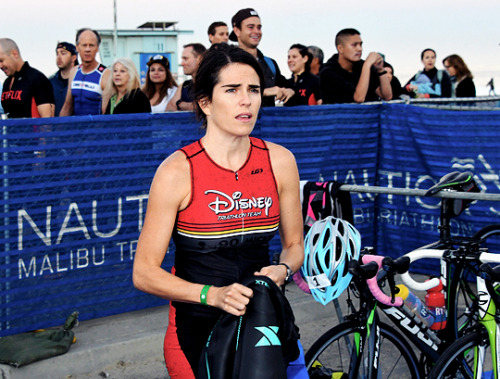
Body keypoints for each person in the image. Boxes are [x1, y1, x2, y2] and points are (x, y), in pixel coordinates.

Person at [132, 44, 304, 377]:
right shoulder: (177, 171)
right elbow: (144, 272)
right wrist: (212, 295)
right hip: (196, 328)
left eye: (253, 89)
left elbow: (295, 245)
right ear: (205, 102)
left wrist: (284, 268)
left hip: (264, 321)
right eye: (232, 90)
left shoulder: (280, 161)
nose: (247, 100)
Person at [229, 8, 294, 107]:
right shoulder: (228, 62)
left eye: (259, 27)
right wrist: (266, 92)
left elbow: (287, 86)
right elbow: (227, 93)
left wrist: (289, 91)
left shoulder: (270, 63)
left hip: (268, 122)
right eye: (250, 27)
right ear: (237, 31)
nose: (256, 31)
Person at [320, 28, 392, 104]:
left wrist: (380, 70)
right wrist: (367, 66)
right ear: (340, 48)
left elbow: (387, 96)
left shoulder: (362, 66)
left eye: (360, 44)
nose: (359, 49)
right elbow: (359, 98)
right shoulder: (328, 72)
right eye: (354, 45)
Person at [60, 28, 110, 116]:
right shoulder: (74, 72)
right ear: (77, 48)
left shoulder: (105, 74)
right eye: (84, 45)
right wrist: (59, 128)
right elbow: (67, 106)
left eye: (91, 45)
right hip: (76, 127)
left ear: (97, 48)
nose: (87, 49)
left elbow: (105, 112)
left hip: (96, 128)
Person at [0, 38, 55, 118]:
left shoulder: (37, 78)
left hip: (31, 129)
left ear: (14, 54)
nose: (0, 66)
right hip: (11, 130)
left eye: (1, 60)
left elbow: (48, 119)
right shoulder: (7, 82)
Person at [166, 43, 206, 112]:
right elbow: (169, 109)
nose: (182, 63)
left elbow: (209, 106)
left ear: (200, 59)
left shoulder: (213, 83)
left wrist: (181, 104)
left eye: (185, 58)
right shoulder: (184, 86)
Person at [50, 42, 78, 116]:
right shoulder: (50, 83)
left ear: (73, 58)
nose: (59, 57)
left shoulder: (81, 80)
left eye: (63, 53)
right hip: (55, 126)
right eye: (57, 54)